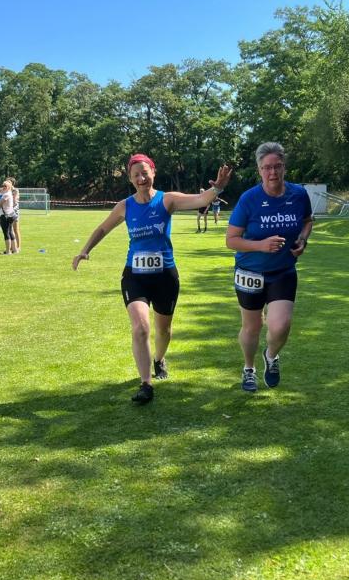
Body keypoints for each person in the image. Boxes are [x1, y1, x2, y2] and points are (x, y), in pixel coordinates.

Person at [72, 153, 232, 405]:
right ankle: (146, 384)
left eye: (145, 173)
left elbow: (201, 199)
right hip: (134, 276)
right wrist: (85, 250)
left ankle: (159, 359)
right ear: (130, 179)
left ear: (153, 173)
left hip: (165, 276)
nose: (141, 178)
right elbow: (103, 227)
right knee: (141, 327)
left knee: (163, 330)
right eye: (135, 175)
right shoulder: (125, 206)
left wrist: (218, 188)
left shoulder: (167, 200)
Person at [225, 142, 313, 393]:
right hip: (250, 272)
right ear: (259, 170)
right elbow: (231, 240)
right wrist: (261, 245)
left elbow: (307, 221)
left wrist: (302, 239)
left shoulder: (298, 194)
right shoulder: (249, 199)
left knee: (280, 325)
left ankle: (271, 356)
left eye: (277, 166)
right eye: (267, 168)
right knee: (252, 327)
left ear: (284, 167)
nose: (272, 172)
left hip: (283, 271)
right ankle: (249, 369)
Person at [0, 180, 17, 254]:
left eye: (5, 186)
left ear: (9, 187)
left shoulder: (6, 195)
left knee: (6, 233)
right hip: (11, 215)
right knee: (10, 232)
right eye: (3, 185)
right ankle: (15, 250)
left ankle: (8, 251)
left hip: (5, 216)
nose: (3, 187)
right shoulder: (9, 193)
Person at [10, 181, 21, 253]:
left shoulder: (15, 190)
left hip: (15, 212)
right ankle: (12, 246)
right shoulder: (8, 191)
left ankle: (18, 246)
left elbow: (15, 201)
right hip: (8, 212)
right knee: (10, 230)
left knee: (16, 230)